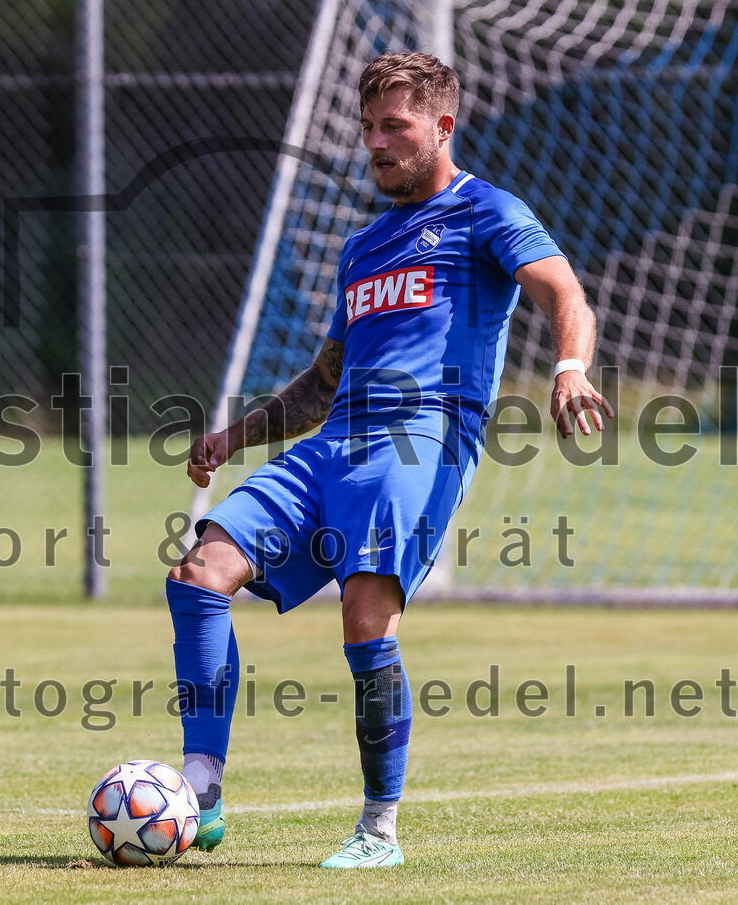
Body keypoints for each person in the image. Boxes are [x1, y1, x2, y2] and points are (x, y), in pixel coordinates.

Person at [164, 51, 613, 868]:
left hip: (421, 439)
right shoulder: (364, 246)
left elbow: (563, 291)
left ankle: (378, 830)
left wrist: (569, 368)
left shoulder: (486, 211)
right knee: (201, 571)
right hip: (333, 444)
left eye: (394, 126)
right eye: (368, 126)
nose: (375, 142)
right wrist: (238, 435)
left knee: (365, 614)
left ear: (442, 127)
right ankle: (200, 786)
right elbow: (323, 381)